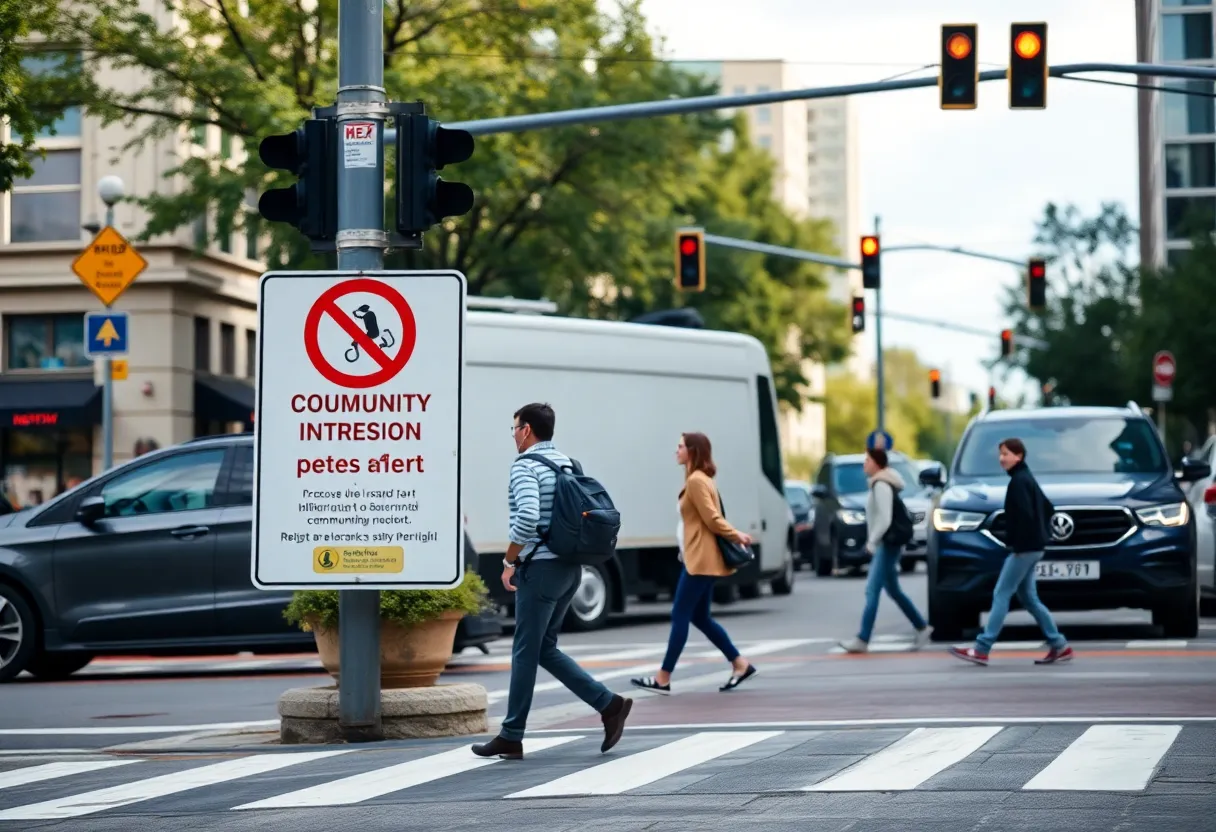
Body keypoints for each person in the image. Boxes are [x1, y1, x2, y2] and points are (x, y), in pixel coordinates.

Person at [472, 402, 632, 760]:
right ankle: (609, 705)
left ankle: (512, 734)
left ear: (526, 429)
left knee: (525, 652)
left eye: (514, 428)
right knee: (544, 648)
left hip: (541, 570)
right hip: (570, 569)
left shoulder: (525, 466)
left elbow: (528, 517)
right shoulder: (566, 462)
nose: (513, 435)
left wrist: (509, 559)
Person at [630, 432, 757, 694]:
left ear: (693, 451)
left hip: (700, 562)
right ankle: (740, 663)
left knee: (680, 615)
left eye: (680, 446)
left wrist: (737, 535)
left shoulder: (698, 482)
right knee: (701, 618)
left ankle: (663, 678)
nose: (676, 450)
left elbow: (712, 519)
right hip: (697, 558)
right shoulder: (698, 479)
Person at [949, 437, 1072, 667]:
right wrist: (1043, 536)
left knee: (1001, 593)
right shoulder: (1027, 478)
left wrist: (1019, 544)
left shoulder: (1018, 482)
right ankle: (1060, 645)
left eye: (1006, 454)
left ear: (1019, 456)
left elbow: (1025, 516)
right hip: (1033, 547)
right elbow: (1048, 508)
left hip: (1025, 549)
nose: (1001, 459)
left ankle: (982, 649)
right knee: (1030, 599)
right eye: (1001, 454)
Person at [838, 447, 933, 654]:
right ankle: (922, 627)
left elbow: (884, 518)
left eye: (867, 460)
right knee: (893, 590)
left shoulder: (881, 484)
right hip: (889, 543)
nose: (865, 464)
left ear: (876, 463)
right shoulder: (881, 482)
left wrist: (872, 542)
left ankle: (863, 639)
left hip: (887, 544)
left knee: (872, 590)